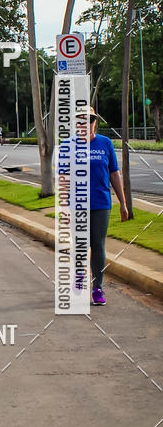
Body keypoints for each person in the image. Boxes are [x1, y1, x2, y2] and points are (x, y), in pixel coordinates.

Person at [89, 110, 128, 304]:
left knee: (98, 245)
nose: (86, 123)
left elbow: (114, 174)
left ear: (95, 122)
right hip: (77, 205)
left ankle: (97, 288)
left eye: (90, 119)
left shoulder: (105, 143)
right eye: (82, 119)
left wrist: (123, 203)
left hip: (101, 203)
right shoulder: (70, 145)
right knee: (79, 246)